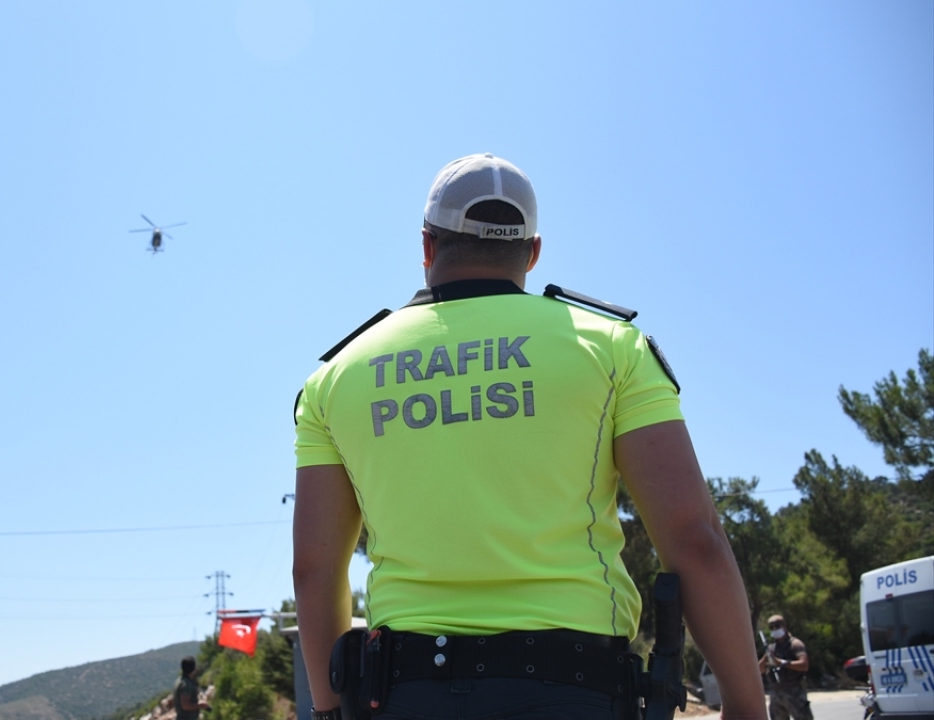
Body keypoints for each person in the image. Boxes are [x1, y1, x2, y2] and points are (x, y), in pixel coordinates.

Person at [292, 153, 767, 720]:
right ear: (533, 252)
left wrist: (327, 712)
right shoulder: (611, 348)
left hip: (408, 692)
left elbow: (314, 569)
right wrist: (745, 705)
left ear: (426, 245)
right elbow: (694, 539)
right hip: (580, 690)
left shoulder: (337, 377)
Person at [759, 615, 812, 720]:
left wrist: (782, 663)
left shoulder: (795, 644)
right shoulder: (772, 648)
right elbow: (760, 670)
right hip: (776, 694)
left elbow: (804, 665)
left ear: (784, 626)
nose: (774, 629)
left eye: (777, 626)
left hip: (794, 692)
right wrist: (766, 657)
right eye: (771, 627)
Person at [173, 656, 209, 720]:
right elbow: (185, 706)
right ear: (193, 668)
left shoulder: (181, 680)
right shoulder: (186, 684)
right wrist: (200, 706)